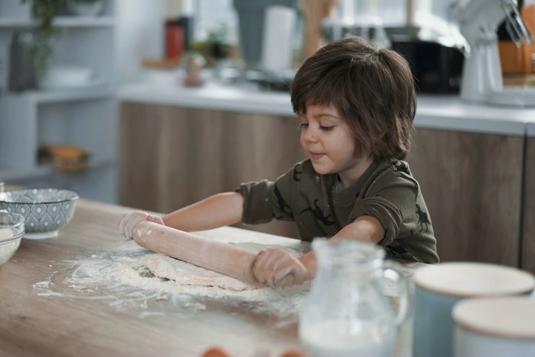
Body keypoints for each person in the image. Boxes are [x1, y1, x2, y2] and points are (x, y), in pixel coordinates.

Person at [119, 36, 439, 287]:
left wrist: (303, 267)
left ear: (376, 126)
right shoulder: (309, 178)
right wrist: (163, 224)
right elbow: (241, 203)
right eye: (304, 123)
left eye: (325, 125)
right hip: (340, 290)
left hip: (404, 300)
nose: (309, 137)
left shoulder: (396, 187)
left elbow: (360, 236)